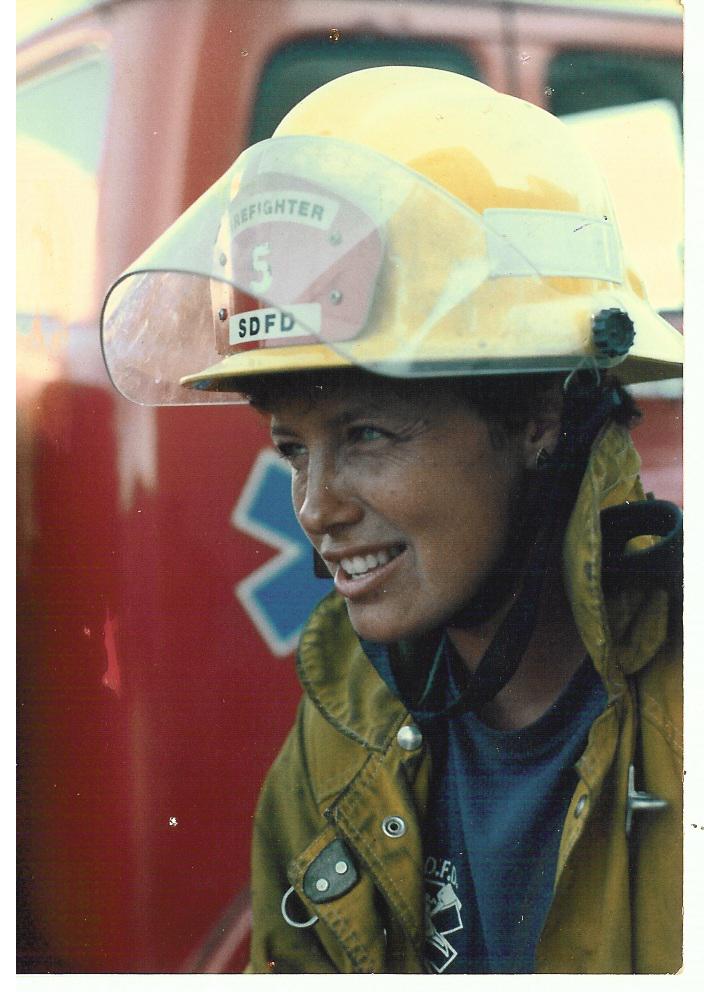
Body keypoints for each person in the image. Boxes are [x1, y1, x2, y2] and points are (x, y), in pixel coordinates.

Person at [101, 67, 683, 974]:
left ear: (539, 415)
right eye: (293, 448)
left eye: (366, 434)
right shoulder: (348, 720)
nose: (315, 508)